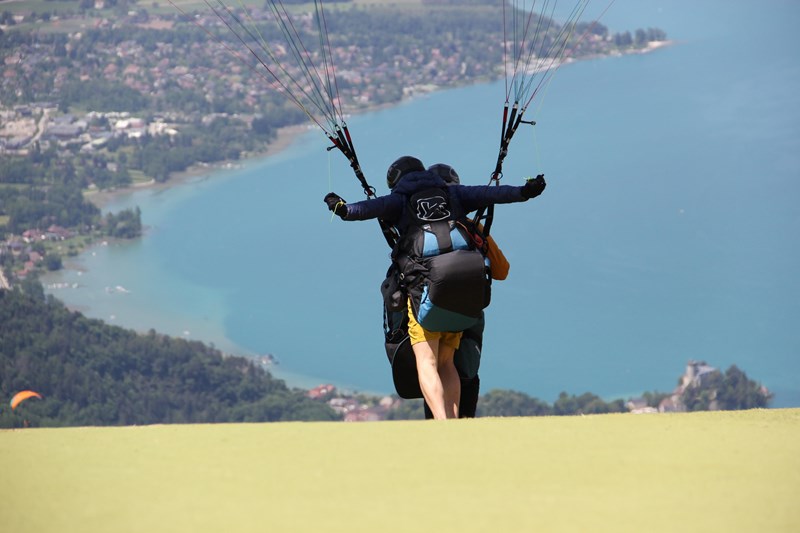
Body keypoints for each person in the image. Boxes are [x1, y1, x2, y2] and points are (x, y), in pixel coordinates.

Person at [325, 156, 545, 419]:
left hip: (426, 294)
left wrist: (341, 208)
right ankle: (451, 422)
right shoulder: (454, 196)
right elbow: (493, 193)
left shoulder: (400, 200)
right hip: (461, 300)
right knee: (447, 363)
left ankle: (441, 424)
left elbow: (364, 210)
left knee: (426, 362)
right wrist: (525, 192)